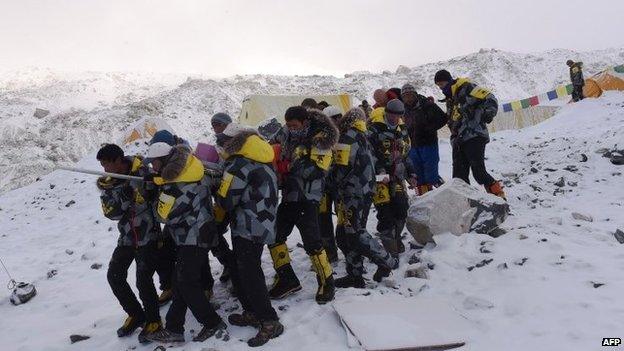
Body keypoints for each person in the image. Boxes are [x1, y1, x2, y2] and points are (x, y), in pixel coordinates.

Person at [144, 141, 227, 344]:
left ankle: (212, 323)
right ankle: (174, 327)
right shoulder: (192, 169)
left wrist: (152, 194)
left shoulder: (176, 187)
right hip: (200, 231)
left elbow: (163, 215)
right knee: (181, 281)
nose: (151, 167)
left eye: (153, 163)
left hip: (193, 237)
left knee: (186, 282)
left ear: (163, 161)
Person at [214, 123, 284, 347]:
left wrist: (217, 186)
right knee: (245, 269)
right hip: (263, 222)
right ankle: (252, 312)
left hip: (248, 226)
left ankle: (269, 320)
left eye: (223, 141)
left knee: (250, 274)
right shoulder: (260, 156)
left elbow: (227, 201)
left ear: (232, 142)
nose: (221, 145)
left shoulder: (238, 164)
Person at [270, 106, 338, 304]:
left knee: (313, 243)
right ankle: (287, 279)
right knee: (274, 236)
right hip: (290, 195)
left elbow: (319, 170)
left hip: (308, 198)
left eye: (294, 125)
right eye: (288, 125)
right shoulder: (286, 133)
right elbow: (271, 144)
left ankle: (327, 282)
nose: (291, 128)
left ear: (305, 122)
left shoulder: (321, 137)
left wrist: (290, 165)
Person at [96, 144, 163, 342]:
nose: (104, 169)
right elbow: (112, 214)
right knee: (114, 276)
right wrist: (124, 195)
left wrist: (149, 186)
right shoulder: (109, 183)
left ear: (119, 160)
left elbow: (160, 198)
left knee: (143, 280)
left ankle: (154, 321)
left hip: (148, 236)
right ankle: (135, 313)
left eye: (107, 164)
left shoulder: (144, 172)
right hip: (126, 237)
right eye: (101, 165)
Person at [330, 108, 398, 288]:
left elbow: (340, 169)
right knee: (346, 233)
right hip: (364, 190)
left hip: (353, 192)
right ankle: (355, 274)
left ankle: (386, 261)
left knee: (355, 231)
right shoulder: (362, 135)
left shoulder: (346, 139)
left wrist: (327, 182)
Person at [433, 69, 506, 199]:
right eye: (438, 86)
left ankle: (498, 194)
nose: (441, 88)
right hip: (458, 140)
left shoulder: (467, 88)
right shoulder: (450, 99)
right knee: (458, 178)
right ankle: (465, 202)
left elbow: (490, 98)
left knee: (478, 172)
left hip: (474, 135)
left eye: (442, 84)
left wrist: (487, 114)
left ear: (449, 80)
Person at [368, 99, 416, 258]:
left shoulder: (402, 130)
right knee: (385, 212)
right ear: (386, 112)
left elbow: (406, 154)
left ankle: (395, 237)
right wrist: (380, 171)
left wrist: (412, 173)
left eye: (398, 115)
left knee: (402, 209)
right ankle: (389, 246)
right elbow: (369, 154)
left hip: (397, 176)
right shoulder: (374, 129)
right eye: (391, 114)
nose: (394, 118)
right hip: (378, 178)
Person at [401, 83, 448, 195]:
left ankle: (445, 193)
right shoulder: (403, 110)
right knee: (418, 177)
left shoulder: (427, 105)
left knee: (431, 175)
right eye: (405, 96)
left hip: (428, 144)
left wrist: (430, 128)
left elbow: (443, 118)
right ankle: (425, 199)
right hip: (412, 146)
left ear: (415, 94)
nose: (408, 98)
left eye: (410, 94)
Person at [318, 105, 343, 262]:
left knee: (343, 219)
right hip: (324, 186)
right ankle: (329, 252)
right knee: (323, 220)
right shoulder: (320, 137)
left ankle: (349, 249)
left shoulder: (348, 135)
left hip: (341, 185)